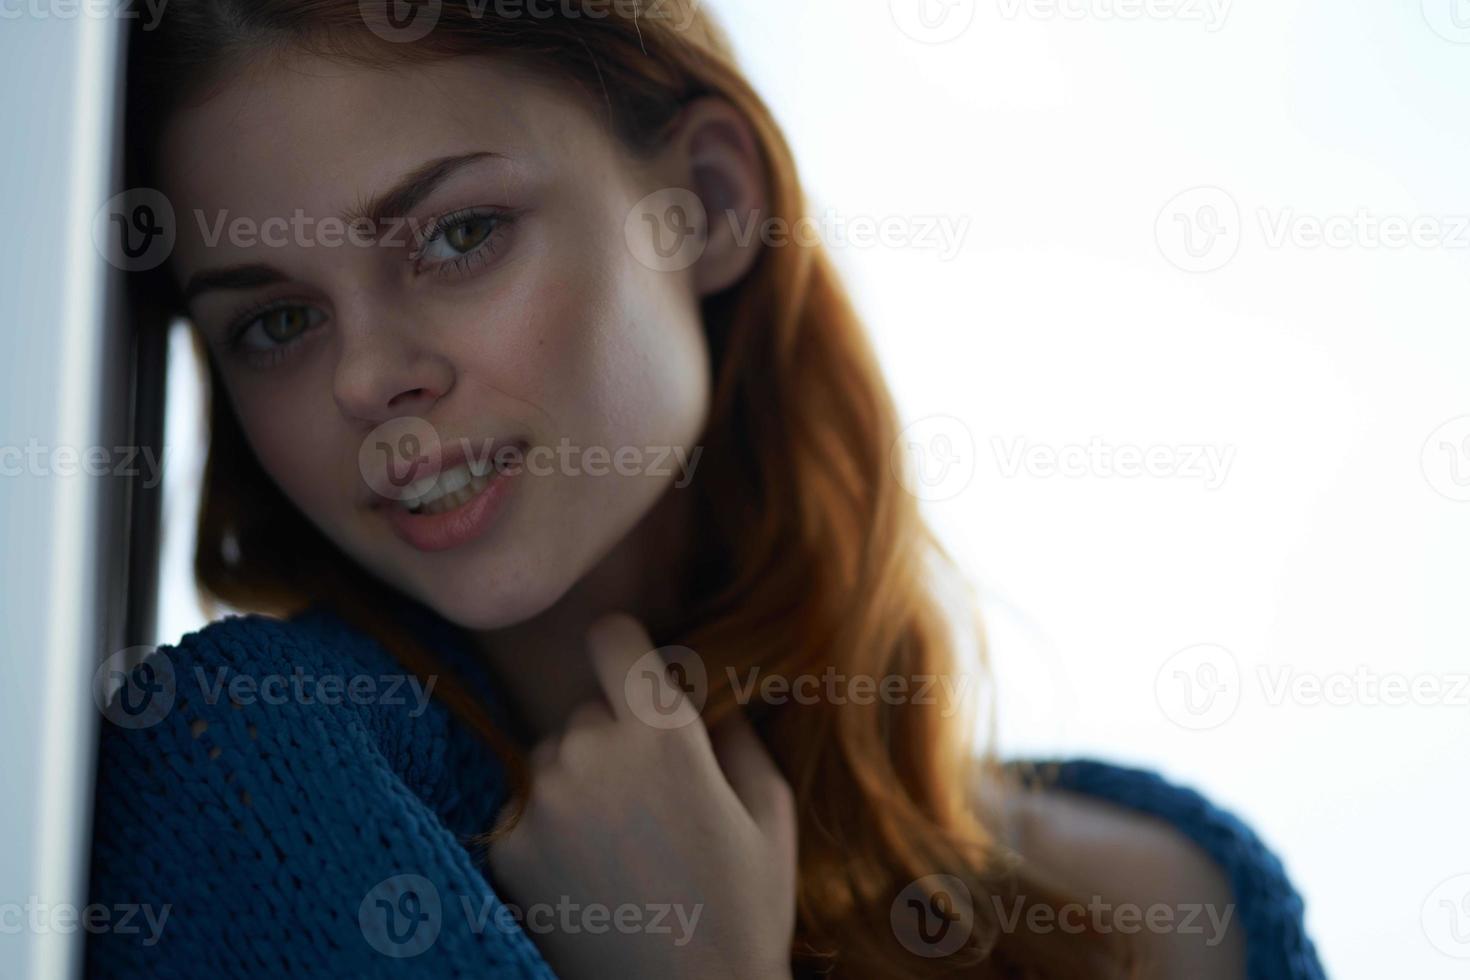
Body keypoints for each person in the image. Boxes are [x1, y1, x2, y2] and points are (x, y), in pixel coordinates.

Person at [88, 2, 1324, 977]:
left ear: (709, 204)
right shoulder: (246, 795)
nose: (368, 376)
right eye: (278, 321)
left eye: (457, 236)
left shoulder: (1170, 904)